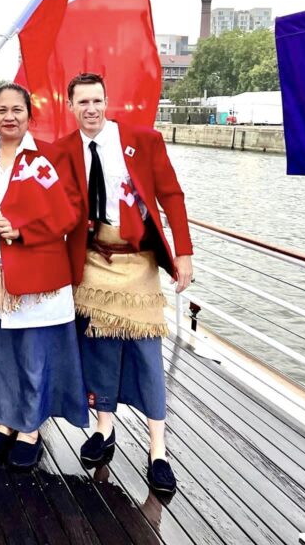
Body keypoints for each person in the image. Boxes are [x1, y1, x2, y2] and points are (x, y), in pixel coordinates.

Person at [56, 73, 193, 494]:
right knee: (100, 350)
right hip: (94, 260)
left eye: (97, 100)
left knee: (146, 354)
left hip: (138, 262)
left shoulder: (142, 140)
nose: (91, 109)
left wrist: (184, 252)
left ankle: (158, 450)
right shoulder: (62, 149)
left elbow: (171, 195)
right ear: (71, 105)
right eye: (83, 102)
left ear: (106, 100)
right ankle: (104, 429)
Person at [0, 83, 88, 469]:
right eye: (2, 110)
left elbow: (70, 214)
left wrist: (21, 229)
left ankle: (30, 427)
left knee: (32, 354)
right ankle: (3, 424)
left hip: (34, 273)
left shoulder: (48, 157)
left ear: (30, 116)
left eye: (17, 110)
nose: (9, 117)